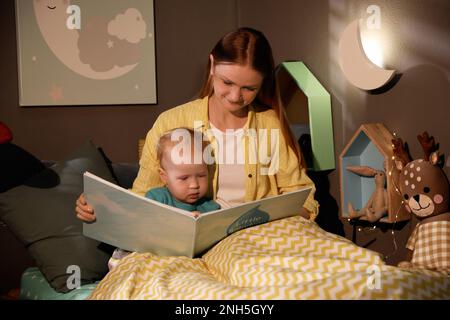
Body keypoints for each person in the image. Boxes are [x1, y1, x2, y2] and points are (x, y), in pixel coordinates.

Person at [76, 27, 319, 226]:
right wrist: (101, 206)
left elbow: (303, 196)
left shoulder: (270, 125)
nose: (235, 96)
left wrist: (281, 220)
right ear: (212, 65)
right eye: (227, 82)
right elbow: (144, 196)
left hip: (259, 241)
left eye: (249, 89)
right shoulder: (171, 123)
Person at [145, 127, 220, 218]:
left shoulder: (211, 207)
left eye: (201, 176)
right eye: (184, 178)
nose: (194, 185)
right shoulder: (157, 199)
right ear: (164, 177)